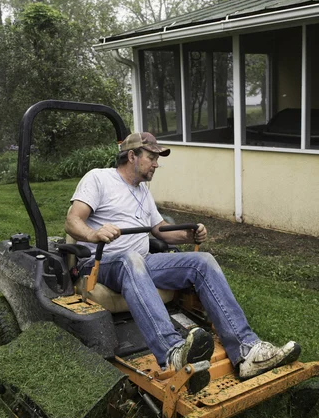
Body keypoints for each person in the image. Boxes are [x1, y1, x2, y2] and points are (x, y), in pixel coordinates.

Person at [65, 131, 301, 387]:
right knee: (130, 258)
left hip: (141, 262)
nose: (156, 164)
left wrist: (190, 234)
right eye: (152, 157)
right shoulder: (99, 179)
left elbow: (159, 229)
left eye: (158, 158)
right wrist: (95, 233)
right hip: (103, 263)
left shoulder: (143, 191)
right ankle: (172, 351)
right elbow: (72, 221)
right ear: (132, 156)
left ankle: (247, 350)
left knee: (203, 261)